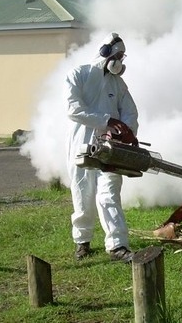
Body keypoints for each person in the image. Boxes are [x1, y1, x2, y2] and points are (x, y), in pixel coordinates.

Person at [65, 32, 139, 262]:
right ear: (105, 52)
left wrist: (127, 131)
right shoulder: (80, 74)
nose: (120, 60)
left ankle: (117, 245)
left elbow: (130, 112)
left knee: (109, 193)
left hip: (111, 147)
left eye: (123, 56)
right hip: (82, 144)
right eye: (117, 55)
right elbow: (74, 110)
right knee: (82, 194)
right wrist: (107, 121)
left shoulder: (119, 84)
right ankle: (82, 242)